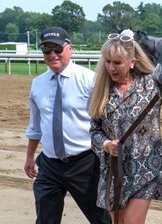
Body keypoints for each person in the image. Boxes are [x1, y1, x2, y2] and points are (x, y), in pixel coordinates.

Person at [89, 31, 162, 224]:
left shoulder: (152, 83)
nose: (111, 67)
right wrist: (106, 144)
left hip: (146, 167)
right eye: (108, 61)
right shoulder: (100, 90)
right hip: (114, 169)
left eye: (117, 62)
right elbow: (94, 130)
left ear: (132, 62)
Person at [24, 27, 111, 224]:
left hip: (85, 163)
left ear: (69, 49)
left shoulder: (89, 80)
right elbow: (35, 126)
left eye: (57, 49)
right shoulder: (37, 84)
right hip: (49, 165)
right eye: (47, 50)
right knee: (46, 220)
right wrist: (30, 157)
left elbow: (105, 121)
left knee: (101, 219)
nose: (52, 55)